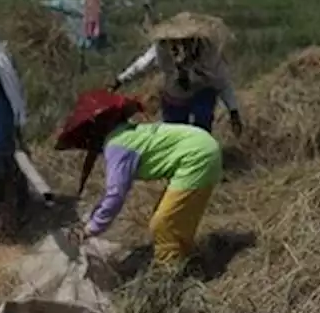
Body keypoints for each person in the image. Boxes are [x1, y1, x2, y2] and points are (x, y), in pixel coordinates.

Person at [56, 89, 222, 266]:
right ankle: (187, 258)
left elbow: (115, 195)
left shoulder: (117, 145)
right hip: (205, 147)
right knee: (175, 217)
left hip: (197, 158)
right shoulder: (127, 133)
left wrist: (90, 229)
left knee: (162, 223)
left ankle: (169, 276)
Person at [108, 11, 242, 137]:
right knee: (174, 132)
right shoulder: (162, 48)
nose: (182, 44)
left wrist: (233, 112)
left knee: (202, 127)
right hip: (175, 93)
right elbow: (141, 65)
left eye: (188, 39)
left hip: (202, 90)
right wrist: (120, 80)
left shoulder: (208, 51)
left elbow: (222, 81)